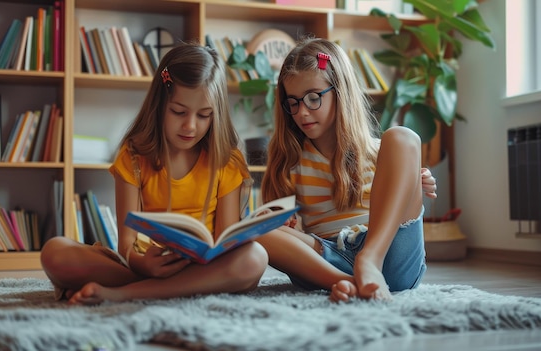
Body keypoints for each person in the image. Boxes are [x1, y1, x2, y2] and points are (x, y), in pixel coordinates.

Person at [40, 42, 268, 305]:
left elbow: (226, 240)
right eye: (178, 112)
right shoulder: (134, 156)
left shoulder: (226, 160)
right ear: (159, 104)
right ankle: (176, 288)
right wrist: (142, 264)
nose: (190, 126)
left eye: (205, 115)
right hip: (143, 267)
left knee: (255, 257)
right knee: (54, 252)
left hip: (204, 267)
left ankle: (124, 294)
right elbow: (126, 245)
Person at [257, 37, 437, 303]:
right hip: (329, 258)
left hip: (389, 252)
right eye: (293, 102)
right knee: (257, 228)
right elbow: (278, 222)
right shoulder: (290, 159)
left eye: (313, 98)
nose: (302, 112)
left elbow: (405, 203)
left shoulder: (382, 150)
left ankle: (370, 262)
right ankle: (347, 283)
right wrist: (283, 221)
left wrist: (416, 182)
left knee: (402, 137)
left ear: (340, 91)